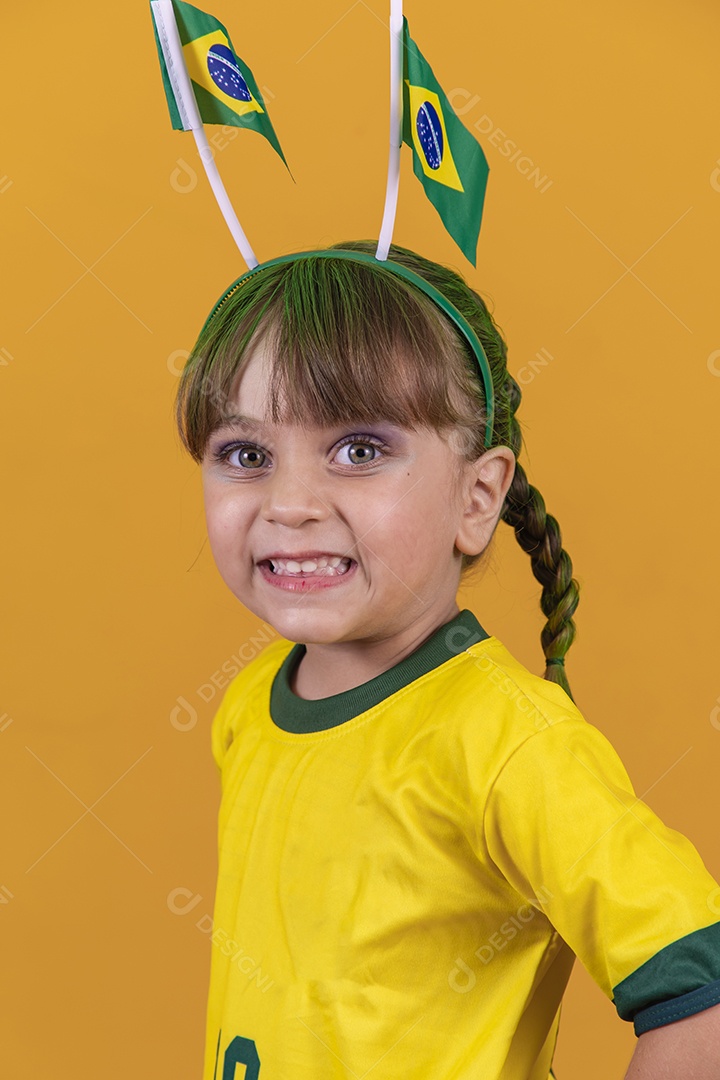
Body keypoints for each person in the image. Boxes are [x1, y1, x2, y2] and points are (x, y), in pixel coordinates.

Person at [175, 240, 720, 1079]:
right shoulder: (249, 704)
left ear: (477, 497)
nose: (289, 504)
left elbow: (702, 996)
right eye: (246, 454)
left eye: (358, 449)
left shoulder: (511, 746)